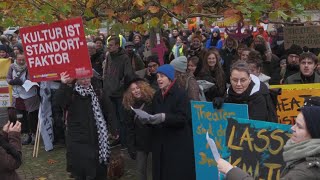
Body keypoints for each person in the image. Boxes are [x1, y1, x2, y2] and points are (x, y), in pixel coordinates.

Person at [217, 97, 320, 179]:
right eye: (295, 124)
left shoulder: (305, 172)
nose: (292, 128)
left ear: (314, 132)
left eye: (299, 126)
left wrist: (230, 171)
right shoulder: (304, 159)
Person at [137, 64, 196, 180]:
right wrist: (147, 119)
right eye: (158, 76)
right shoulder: (157, 95)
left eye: (162, 76)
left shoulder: (181, 95)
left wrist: (165, 117)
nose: (159, 79)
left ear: (170, 78)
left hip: (177, 144)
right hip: (160, 143)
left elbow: (184, 118)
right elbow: (154, 115)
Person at [55, 72, 110, 180]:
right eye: (82, 79)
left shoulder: (97, 91)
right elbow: (60, 102)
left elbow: (108, 110)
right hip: (78, 138)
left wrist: (113, 127)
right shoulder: (72, 92)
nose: (85, 81)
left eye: (87, 78)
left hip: (97, 137)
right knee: (82, 170)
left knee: (98, 170)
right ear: (76, 79)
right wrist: (64, 85)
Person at [122, 75, 154, 180]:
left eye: (138, 88)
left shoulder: (152, 101)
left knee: (156, 170)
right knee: (141, 172)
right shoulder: (129, 107)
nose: (136, 91)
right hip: (140, 144)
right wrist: (131, 147)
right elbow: (129, 128)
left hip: (154, 141)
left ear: (143, 87)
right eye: (133, 89)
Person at [6, 54, 40, 145]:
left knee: (32, 116)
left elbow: (33, 78)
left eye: (23, 60)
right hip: (17, 96)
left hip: (29, 95)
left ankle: (33, 133)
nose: (21, 62)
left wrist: (24, 82)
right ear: (16, 59)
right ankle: (25, 133)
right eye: (19, 60)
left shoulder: (29, 67)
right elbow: (8, 78)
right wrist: (12, 81)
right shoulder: (12, 67)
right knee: (21, 116)